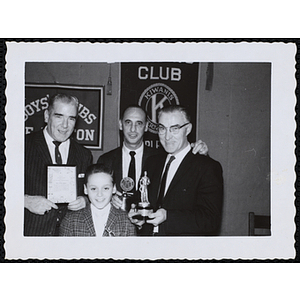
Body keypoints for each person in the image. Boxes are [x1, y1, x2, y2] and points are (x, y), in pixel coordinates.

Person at [129, 105, 224, 236]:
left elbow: (210, 220)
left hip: (182, 252)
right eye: (162, 128)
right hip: (148, 248)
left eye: (174, 129)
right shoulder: (152, 162)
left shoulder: (207, 167)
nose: (167, 136)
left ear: (188, 129)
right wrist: (136, 215)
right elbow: (141, 200)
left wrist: (168, 216)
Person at [97, 104, 209, 209]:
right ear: (121, 124)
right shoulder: (105, 160)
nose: (133, 129)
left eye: (139, 123)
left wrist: (201, 154)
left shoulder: (161, 158)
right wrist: (107, 199)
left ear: (146, 127)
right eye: (128, 122)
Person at [24, 94, 93, 236]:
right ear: (46, 116)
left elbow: (90, 193)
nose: (65, 125)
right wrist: (25, 201)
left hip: (70, 237)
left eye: (71, 118)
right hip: (31, 235)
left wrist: (85, 200)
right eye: (59, 116)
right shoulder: (23, 146)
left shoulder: (84, 155)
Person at [59, 164, 136, 236]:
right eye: (93, 189)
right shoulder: (71, 220)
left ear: (114, 189)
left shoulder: (126, 220)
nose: (99, 194)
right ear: (85, 189)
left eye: (105, 188)